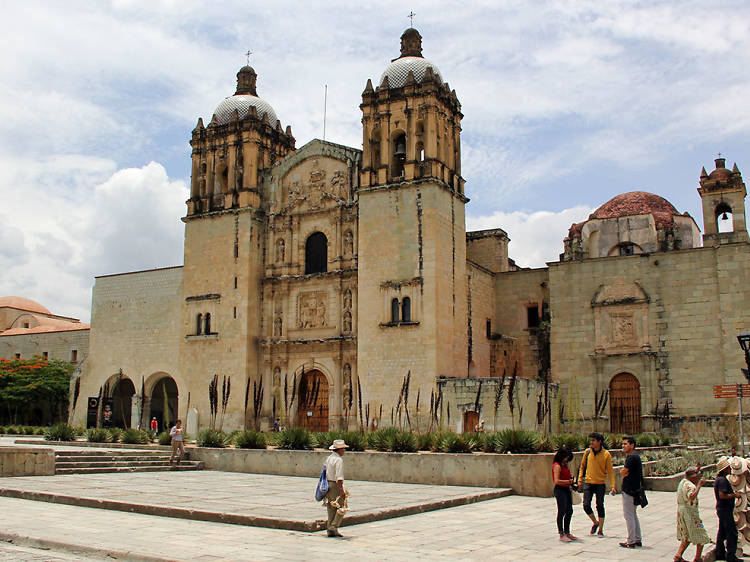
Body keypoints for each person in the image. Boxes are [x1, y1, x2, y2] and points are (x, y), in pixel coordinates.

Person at [578, 432, 616, 537]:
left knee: (600, 505)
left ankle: (601, 529)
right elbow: (582, 467)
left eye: (593, 441)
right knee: (586, 505)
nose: (591, 443)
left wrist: (613, 486)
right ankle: (595, 522)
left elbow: (610, 471)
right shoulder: (587, 452)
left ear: (599, 442)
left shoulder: (606, 454)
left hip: (600, 484)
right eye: (591, 440)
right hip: (588, 483)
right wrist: (579, 480)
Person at [674, 466, 710, 562]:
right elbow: (691, 496)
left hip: (682, 511)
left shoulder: (682, 482)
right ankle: (697, 558)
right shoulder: (690, 485)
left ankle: (678, 556)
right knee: (701, 533)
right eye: (697, 476)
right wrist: (699, 485)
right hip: (690, 513)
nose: (698, 478)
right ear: (692, 476)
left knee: (686, 535)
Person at [714, 456, 741, 562]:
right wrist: (734, 496)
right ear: (724, 469)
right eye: (729, 468)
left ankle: (720, 553)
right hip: (725, 510)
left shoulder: (719, 480)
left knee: (722, 532)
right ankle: (731, 556)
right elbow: (722, 495)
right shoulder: (722, 481)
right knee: (732, 533)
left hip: (722, 509)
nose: (730, 469)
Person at [619, 435, 643, 548]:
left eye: (625, 444)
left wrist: (623, 472)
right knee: (633, 515)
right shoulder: (635, 456)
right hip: (634, 489)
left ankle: (631, 540)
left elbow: (624, 472)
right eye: (622, 444)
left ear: (632, 445)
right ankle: (637, 538)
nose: (623, 446)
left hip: (629, 490)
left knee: (628, 515)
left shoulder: (631, 457)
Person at [323, 439, 349, 538]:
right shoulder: (338, 460)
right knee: (342, 507)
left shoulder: (329, 458)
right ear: (339, 450)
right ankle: (333, 527)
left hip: (328, 484)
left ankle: (331, 529)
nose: (344, 451)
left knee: (331, 507)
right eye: (343, 449)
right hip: (335, 485)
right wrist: (341, 491)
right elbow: (339, 478)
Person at [552, 446, 578, 542]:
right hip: (560, 490)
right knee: (561, 511)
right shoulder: (557, 466)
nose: (567, 459)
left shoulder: (564, 465)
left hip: (567, 489)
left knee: (569, 511)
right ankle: (561, 533)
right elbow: (557, 481)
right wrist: (568, 482)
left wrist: (571, 480)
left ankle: (567, 531)